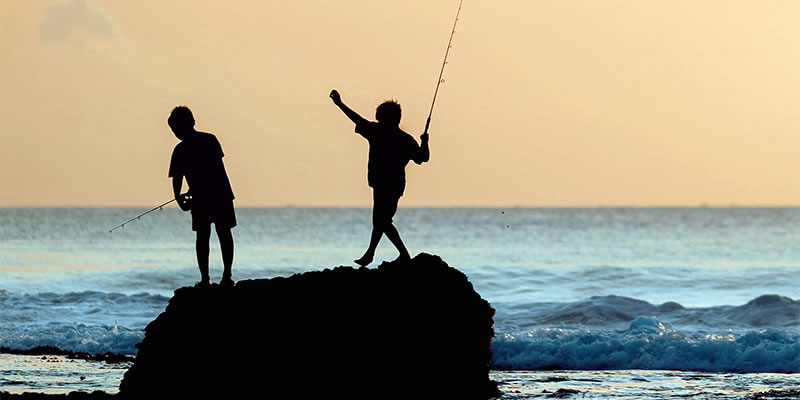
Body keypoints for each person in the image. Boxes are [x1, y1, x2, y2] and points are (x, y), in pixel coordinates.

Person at [329, 89, 430, 266]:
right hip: (393, 184)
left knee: (382, 220)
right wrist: (424, 142)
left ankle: (401, 254)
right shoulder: (405, 139)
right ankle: (370, 254)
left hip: (385, 183)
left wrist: (339, 104)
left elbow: (356, 119)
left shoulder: (377, 131)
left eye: (380, 117)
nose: (377, 120)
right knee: (380, 220)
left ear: (385, 118)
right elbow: (423, 158)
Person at [167, 106, 236, 286]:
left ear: (189, 124)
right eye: (173, 130)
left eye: (176, 129)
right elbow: (178, 177)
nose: (175, 133)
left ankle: (217, 277)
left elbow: (179, 177)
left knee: (213, 235)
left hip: (214, 195)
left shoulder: (193, 145)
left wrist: (181, 197)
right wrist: (179, 197)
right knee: (214, 234)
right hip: (213, 195)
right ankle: (217, 277)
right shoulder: (206, 141)